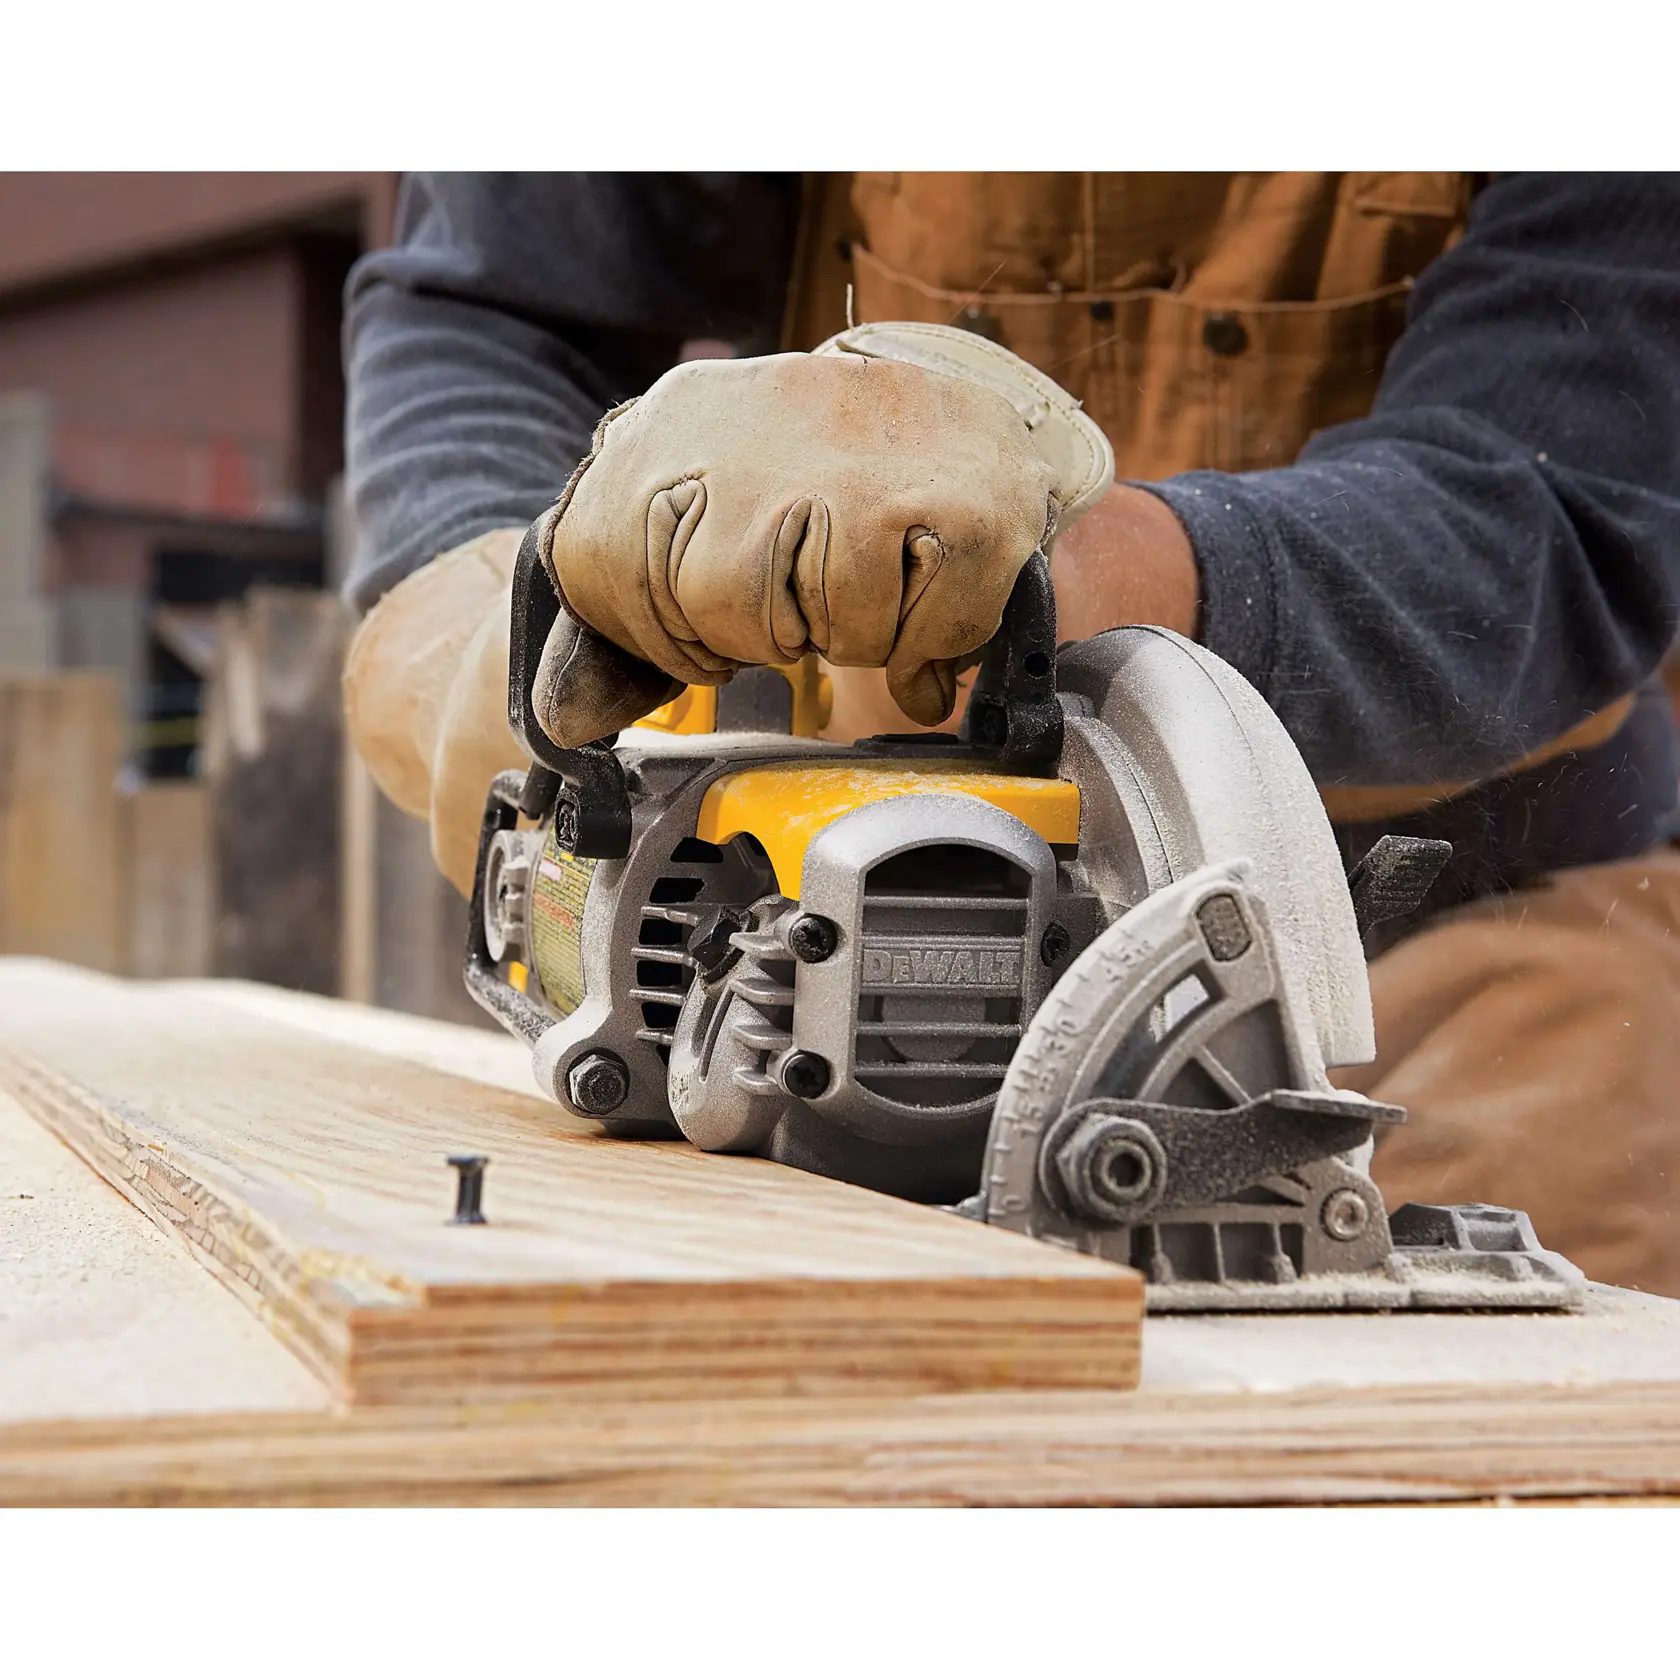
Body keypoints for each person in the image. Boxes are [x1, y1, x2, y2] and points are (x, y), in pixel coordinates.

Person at [342, 173, 1680, 1294]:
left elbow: (1559, 505)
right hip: (799, 930)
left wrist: (1059, 577)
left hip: (1449, 946)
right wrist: (504, 602)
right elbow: (494, 314)